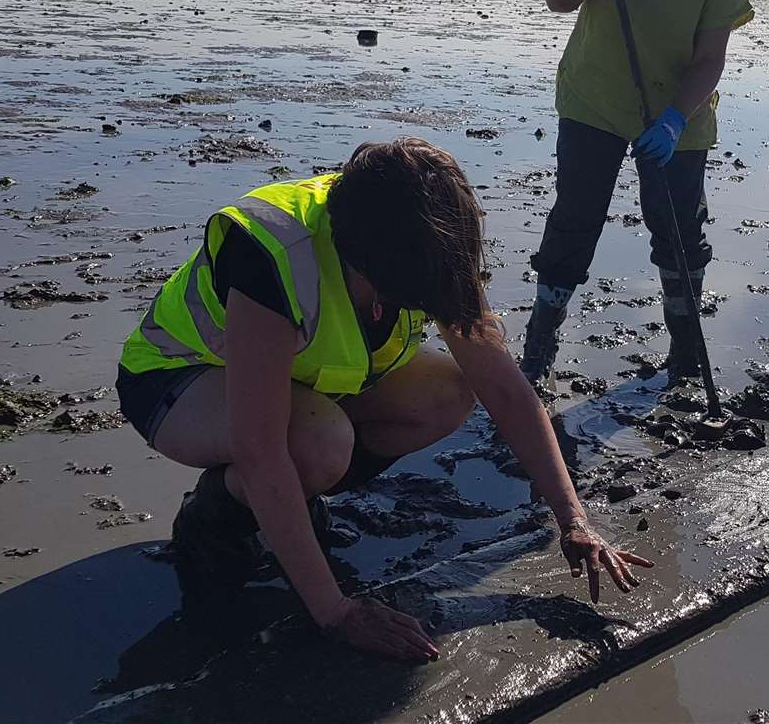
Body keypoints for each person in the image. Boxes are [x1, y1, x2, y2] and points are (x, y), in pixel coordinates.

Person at [115, 137, 651, 663]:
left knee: (448, 392)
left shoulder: (432, 238)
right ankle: (214, 519)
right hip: (178, 377)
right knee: (318, 447)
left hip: (302, 384)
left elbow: (505, 390)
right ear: (363, 259)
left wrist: (573, 519)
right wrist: (336, 613)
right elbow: (261, 450)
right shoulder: (273, 252)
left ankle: (293, 502)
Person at [521, 0, 758, 387]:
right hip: (595, 96)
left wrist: (677, 118)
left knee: (679, 227)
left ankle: (684, 350)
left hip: (678, 112)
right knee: (576, 218)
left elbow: (710, 58)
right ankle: (539, 346)